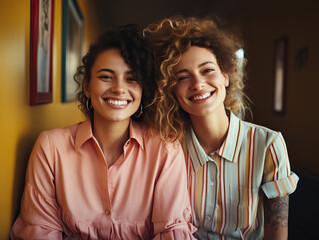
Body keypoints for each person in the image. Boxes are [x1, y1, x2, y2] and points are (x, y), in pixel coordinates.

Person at [11, 25, 196, 239]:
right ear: (87, 87)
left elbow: (172, 232)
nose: (119, 88)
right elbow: (40, 230)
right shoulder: (51, 147)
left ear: (142, 90)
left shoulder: (165, 149)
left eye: (131, 79)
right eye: (106, 77)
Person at [143, 16, 299, 239]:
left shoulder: (269, 145)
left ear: (225, 75)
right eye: (183, 77)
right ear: (172, 91)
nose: (198, 84)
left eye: (207, 70)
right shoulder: (168, 148)